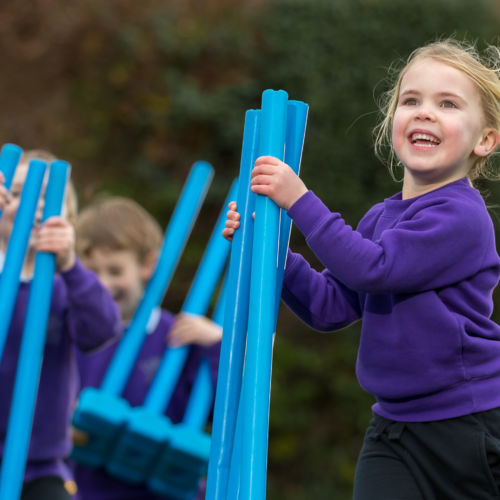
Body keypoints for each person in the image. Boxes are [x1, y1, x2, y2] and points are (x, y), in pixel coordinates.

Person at [223, 39, 500, 499]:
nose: (424, 112)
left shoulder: (462, 217)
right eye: (411, 101)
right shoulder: (379, 218)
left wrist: (299, 201)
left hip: (468, 425)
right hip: (395, 429)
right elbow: (328, 306)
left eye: (447, 104)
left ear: (485, 140)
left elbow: (376, 269)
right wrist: (268, 250)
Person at [72, 196, 222, 500]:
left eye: (115, 271)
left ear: (148, 265)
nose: (103, 284)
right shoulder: (73, 333)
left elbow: (221, 414)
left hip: (161, 489)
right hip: (86, 488)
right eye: (92, 272)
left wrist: (218, 345)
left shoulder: (177, 337)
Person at [0, 149, 121, 500]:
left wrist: (70, 264)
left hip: (40, 463)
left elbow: (101, 330)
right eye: (20, 193)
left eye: (49, 198)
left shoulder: (66, 285)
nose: (35, 206)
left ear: (68, 218)